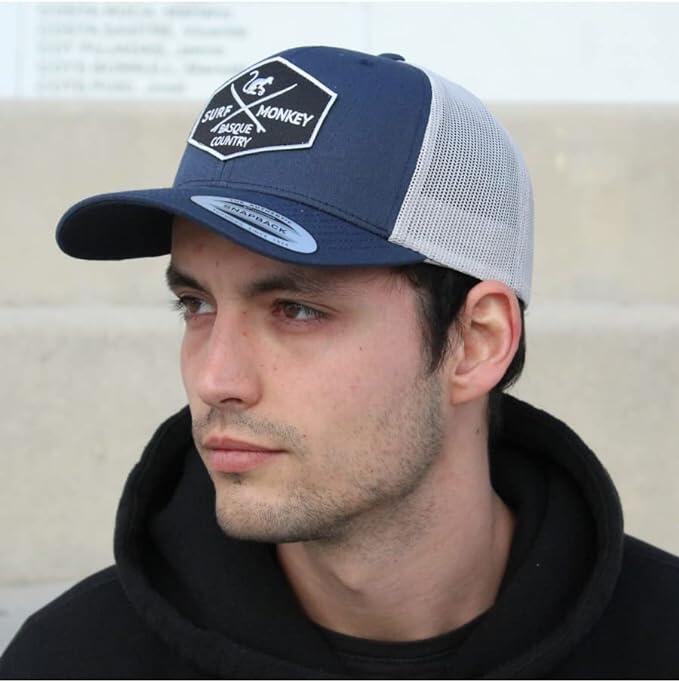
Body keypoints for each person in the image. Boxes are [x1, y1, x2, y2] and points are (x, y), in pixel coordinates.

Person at [1, 45, 678, 680]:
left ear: (477, 341)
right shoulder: (71, 660)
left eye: (296, 310)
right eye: (196, 305)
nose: (214, 380)